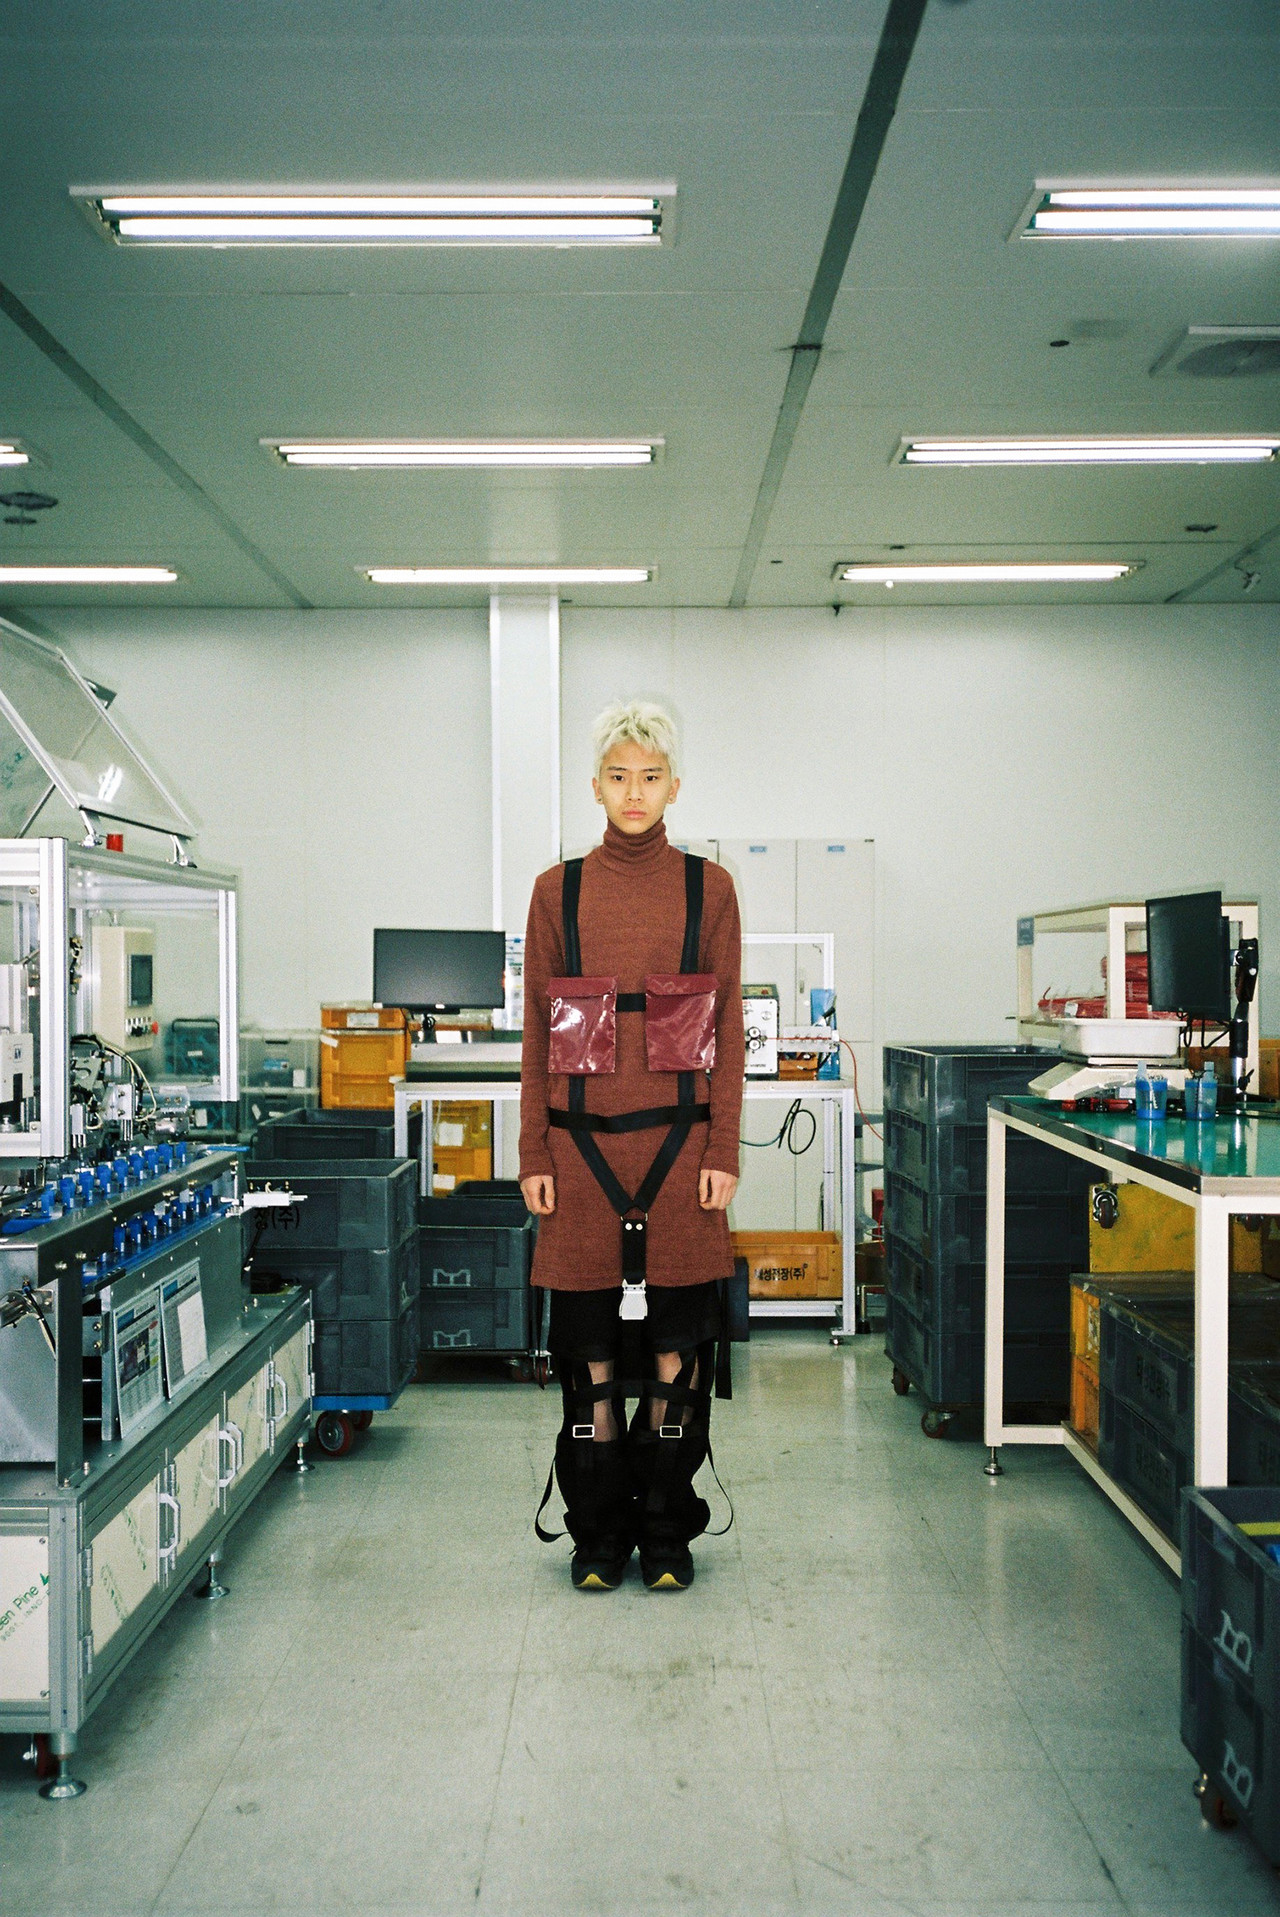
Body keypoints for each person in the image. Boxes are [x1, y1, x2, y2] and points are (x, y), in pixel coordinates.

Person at [519, 700, 744, 1591]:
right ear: (595, 785)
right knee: (593, 1367)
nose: (635, 792)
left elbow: (726, 1032)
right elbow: (537, 1037)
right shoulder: (556, 892)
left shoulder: (710, 890)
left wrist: (724, 1149)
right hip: (578, 1163)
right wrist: (533, 1153)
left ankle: (665, 1533)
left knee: (675, 1366)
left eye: (651, 777)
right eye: (619, 776)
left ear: (675, 786)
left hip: (682, 1160)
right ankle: (598, 1536)